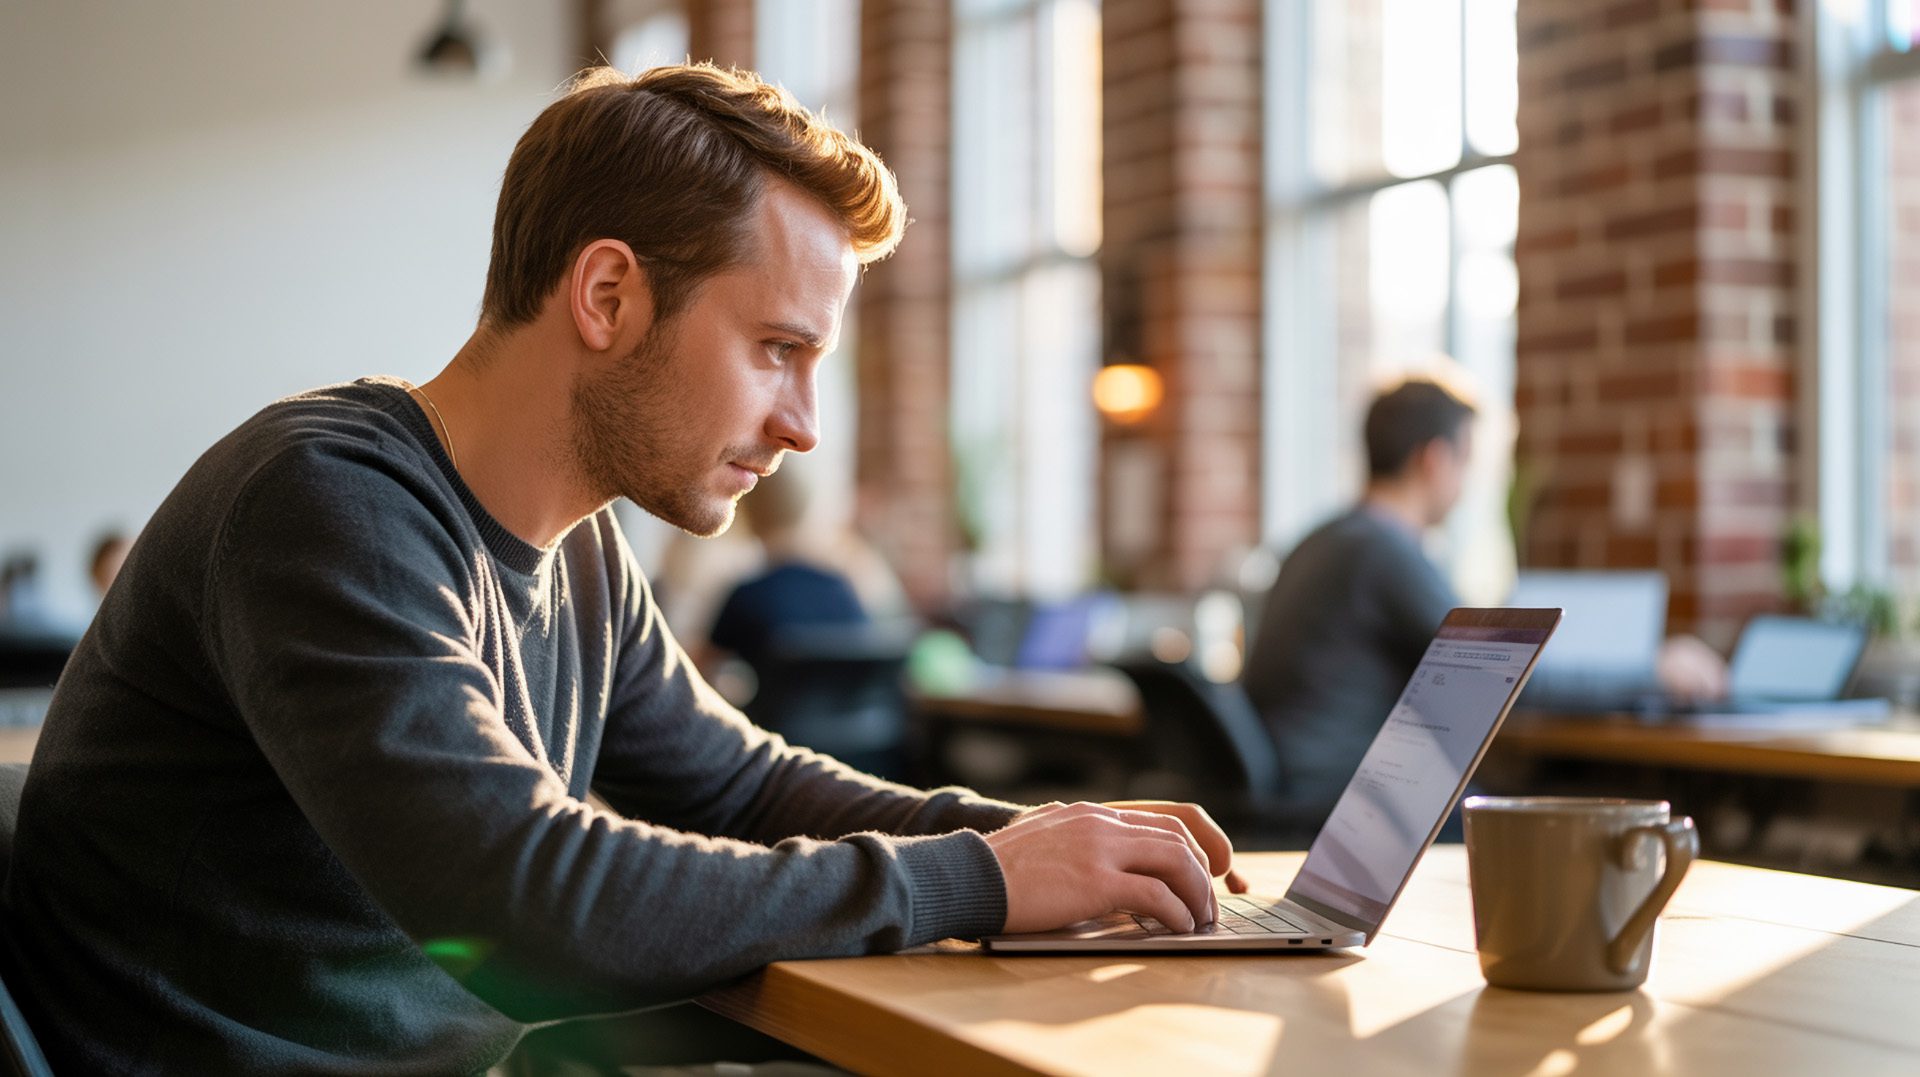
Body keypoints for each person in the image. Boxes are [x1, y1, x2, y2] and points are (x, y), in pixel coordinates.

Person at [2, 64, 1244, 1075]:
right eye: (776, 349)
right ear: (607, 295)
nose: (804, 425)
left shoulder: (581, 547)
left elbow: (742, 788)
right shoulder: (323, 503)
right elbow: (525, 903)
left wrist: (1048, 844)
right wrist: (974, 879)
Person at [1242, 378, 1727, 827]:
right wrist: (1653, 672)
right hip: (1338, 799)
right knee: (1526, 821)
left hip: (1297, 782)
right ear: (1434, 460)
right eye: (1465, 463)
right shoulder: (1384, 552)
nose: (1466, 484)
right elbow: (1508, 677)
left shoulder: (1322, 540)